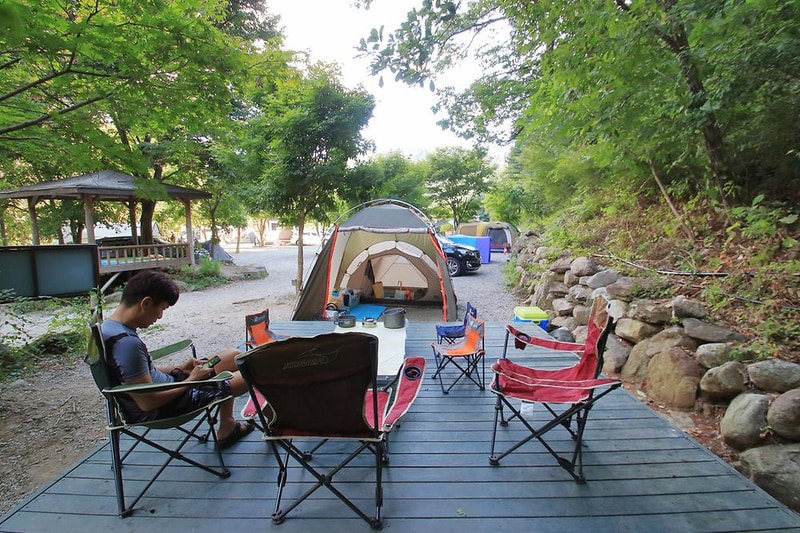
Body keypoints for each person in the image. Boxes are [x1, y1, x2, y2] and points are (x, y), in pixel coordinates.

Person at [101, 270, 253, 449]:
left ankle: (227, 425)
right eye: (162, 309)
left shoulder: (109, 328)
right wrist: (192, 380)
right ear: (146, 303)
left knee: (234, 355)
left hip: (170, 386)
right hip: (167, 405)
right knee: (252, 369)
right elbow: (148, 403)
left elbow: (139, 373)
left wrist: (180, 368)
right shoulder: (127, 344)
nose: (160, 316)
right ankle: (257, 425)